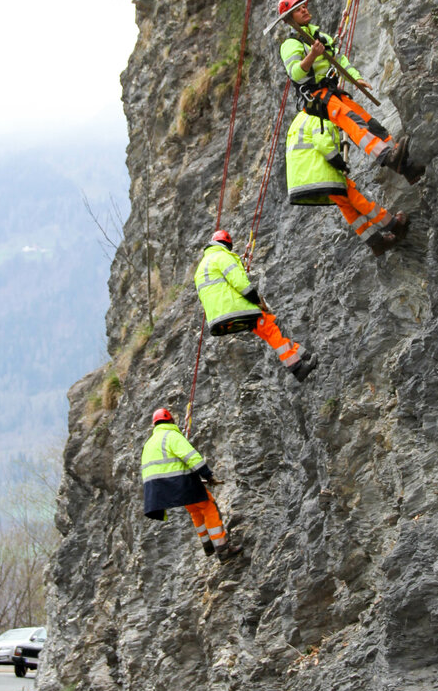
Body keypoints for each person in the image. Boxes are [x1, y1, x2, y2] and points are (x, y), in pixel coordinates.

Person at [277, 0, 423, 183]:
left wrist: (356, 78)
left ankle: (407, 166)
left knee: (370, 123)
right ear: (289, 19)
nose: (304, 9)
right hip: (316, 97)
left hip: (332, 92)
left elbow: (340, 61)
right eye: (298, 9)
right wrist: (312, 55)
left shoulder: (319, 36)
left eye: (303, 6)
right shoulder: (290, 45)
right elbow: (296, 73)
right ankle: (388, 157)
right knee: (354, 123)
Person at [194, 229, 318, 382]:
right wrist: (256, 301)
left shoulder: (201, 268)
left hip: (218, 318)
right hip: (235, 310)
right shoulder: (223, 256)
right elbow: (241, 284)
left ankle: (301, 353)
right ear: (227, 245)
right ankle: (297, 368)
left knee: (269, 328)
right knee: (272, 329)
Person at [285, 106, 409, 256]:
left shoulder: (299, 120)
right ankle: (394, 225)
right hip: (319, 173)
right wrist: (338, 162)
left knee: (347, 206)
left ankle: (376, 243)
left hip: (303, 178)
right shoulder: (319, 114)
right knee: (358, 199)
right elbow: (322, 142)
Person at [141, 407, 242, 562]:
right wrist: (208, 475)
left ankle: (207, 544)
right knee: (208, 507)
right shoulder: (171, 436)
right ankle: (222, 548)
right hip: (180, 483)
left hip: (161, 489)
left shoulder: (149, 444)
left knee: (195, 509)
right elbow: (192, 457)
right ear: (170, 420)